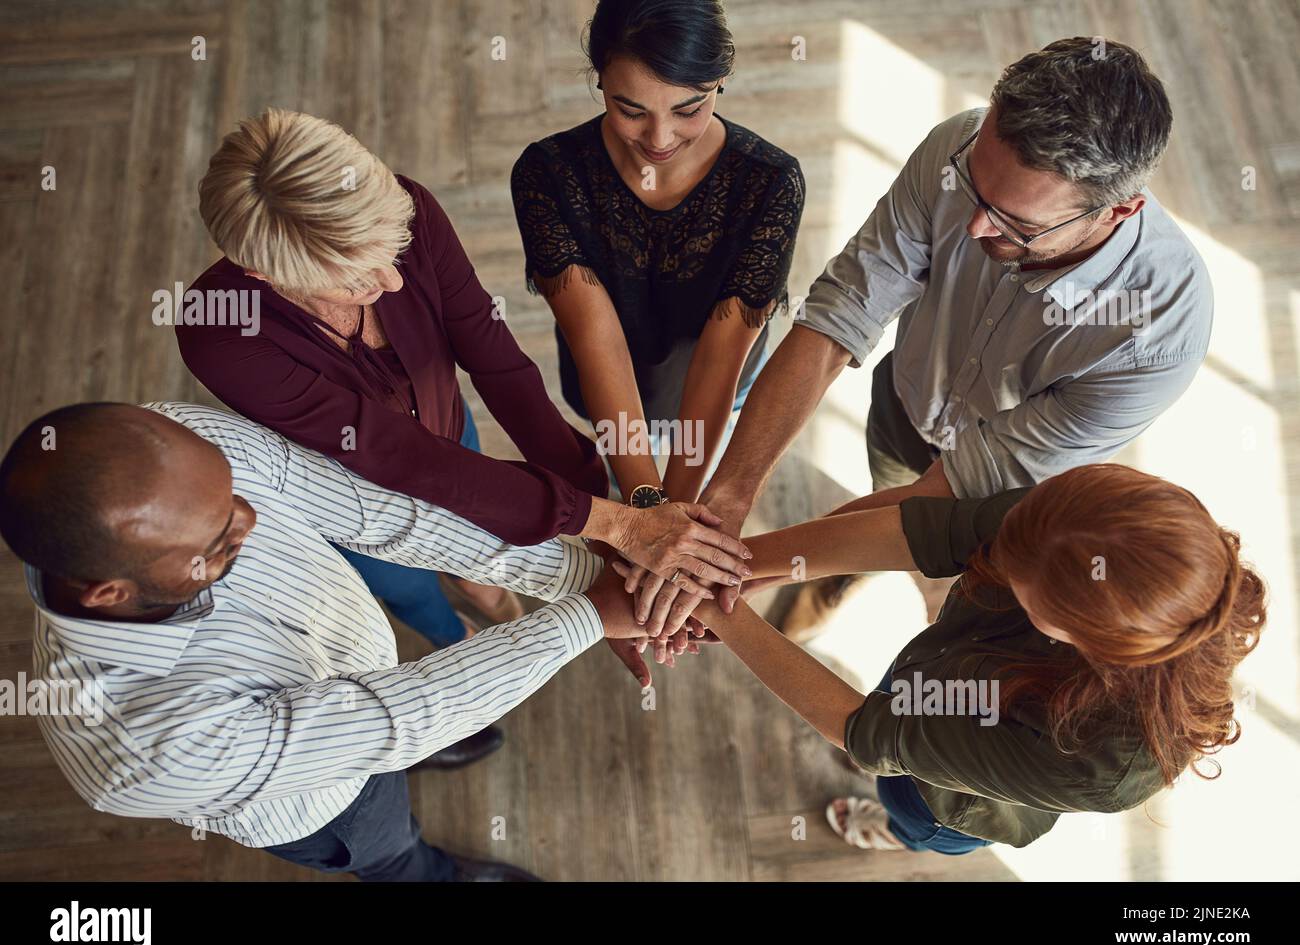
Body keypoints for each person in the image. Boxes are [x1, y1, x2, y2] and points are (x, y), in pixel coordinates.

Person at [181, 108, 749, 722]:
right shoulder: (219, 331)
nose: (394, 282)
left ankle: (492, 596)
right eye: (354, 280)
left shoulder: (410, 209)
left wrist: (611, 533)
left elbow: (499, 366)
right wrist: (613, 531)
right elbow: (398, 458)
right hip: (353, 502)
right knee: (409, 587)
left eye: (392, 248)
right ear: (264, 276)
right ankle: (453, 638)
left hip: (451, 434)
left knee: (488, 546)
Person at [690, 37, 1213, 643]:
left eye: (1017, 224)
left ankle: (881, 595)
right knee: (885, 496)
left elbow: (957, 490)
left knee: (943, 588)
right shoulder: (959, 144)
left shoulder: (1158, 335)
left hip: (1008, 497)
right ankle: (840, 564)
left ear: (1117, 212)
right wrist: (727, 504)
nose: (974, 226)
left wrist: (748, 566)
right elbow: (841, 311)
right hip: (905, 404)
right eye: (974, 187)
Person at [0, 401, 655, 881]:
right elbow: (393, 717)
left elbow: (379, 512)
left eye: (233, 493)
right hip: (330, 802)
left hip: (368, 686)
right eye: (217, 539)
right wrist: (589, 616)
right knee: (392, 849)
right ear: (109, 592)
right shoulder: (138, 749)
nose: (250, 517)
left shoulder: (175, 447)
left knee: (403, 723)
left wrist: (587, 575)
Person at [668, 463, 1265, 853]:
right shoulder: (1076, 523)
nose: (993, 563)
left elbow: (867, 730)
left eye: (1020, 592)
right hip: (930, 678)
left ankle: (897, 834)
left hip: (948, 803)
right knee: (897, 711)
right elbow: (921, 534)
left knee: (907, 807)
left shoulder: (1102, 764)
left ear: (1082, 639)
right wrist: (736, 563)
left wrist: (723, 612)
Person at [511, 0, 803, 661]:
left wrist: (677, 528)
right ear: (598, 82)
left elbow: (724, 346)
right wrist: (644, 510)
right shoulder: (547, 173)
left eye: (689, 107)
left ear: (721, 81)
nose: (661, 136)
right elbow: (595, 336)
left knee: (700, 419)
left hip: (710, 370)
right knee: (613, 433)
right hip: (608, 371)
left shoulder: (771, 182)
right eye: (630, 108)